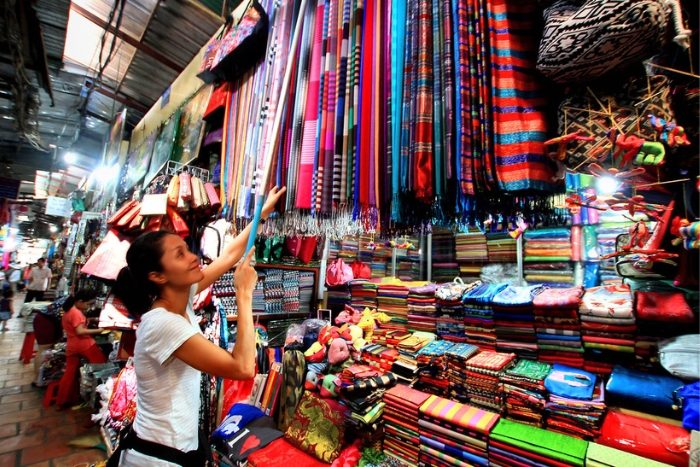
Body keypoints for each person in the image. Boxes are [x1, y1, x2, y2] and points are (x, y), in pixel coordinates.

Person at [109, 186, 285, 467]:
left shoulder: (180, 298)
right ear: (157, 276)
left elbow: (228, 257)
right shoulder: (163, 323)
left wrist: (261, 215)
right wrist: (244, 295)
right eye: (179, 255)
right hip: (158, 458)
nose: (193, 257)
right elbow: (242, 368)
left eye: (186, 250)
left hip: (176, 449)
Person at [55, 290, 107, 409]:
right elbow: (80, 331)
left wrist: (88, 321)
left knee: (69, 373)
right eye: (87, 304)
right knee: (102, 368)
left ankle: (62, 401)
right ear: (80, 301)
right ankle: (99, 400)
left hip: (72, 345)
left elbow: (75, 327)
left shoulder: (68, 311)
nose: (87, 307)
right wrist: (99, 331)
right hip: (85, 344)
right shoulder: (76, 313)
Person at [31, 296, 68, 387]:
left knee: (49, 350)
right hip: (45, 320)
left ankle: (45, 376)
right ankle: (37, 380)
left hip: (50, 320)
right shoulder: (71, 302)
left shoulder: (71, 300)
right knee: (43, 349)